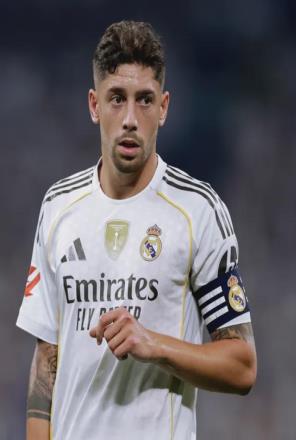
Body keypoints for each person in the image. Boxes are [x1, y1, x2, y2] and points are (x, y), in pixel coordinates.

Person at [16, 20, 257, 440]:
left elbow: (242, 366)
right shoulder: (58, 206)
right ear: (94, 105)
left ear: (164, 108)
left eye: (144, 100)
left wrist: (154, 344)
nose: (130, 118)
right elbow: (46, 360)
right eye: (117, 98)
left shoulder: (197, 210)